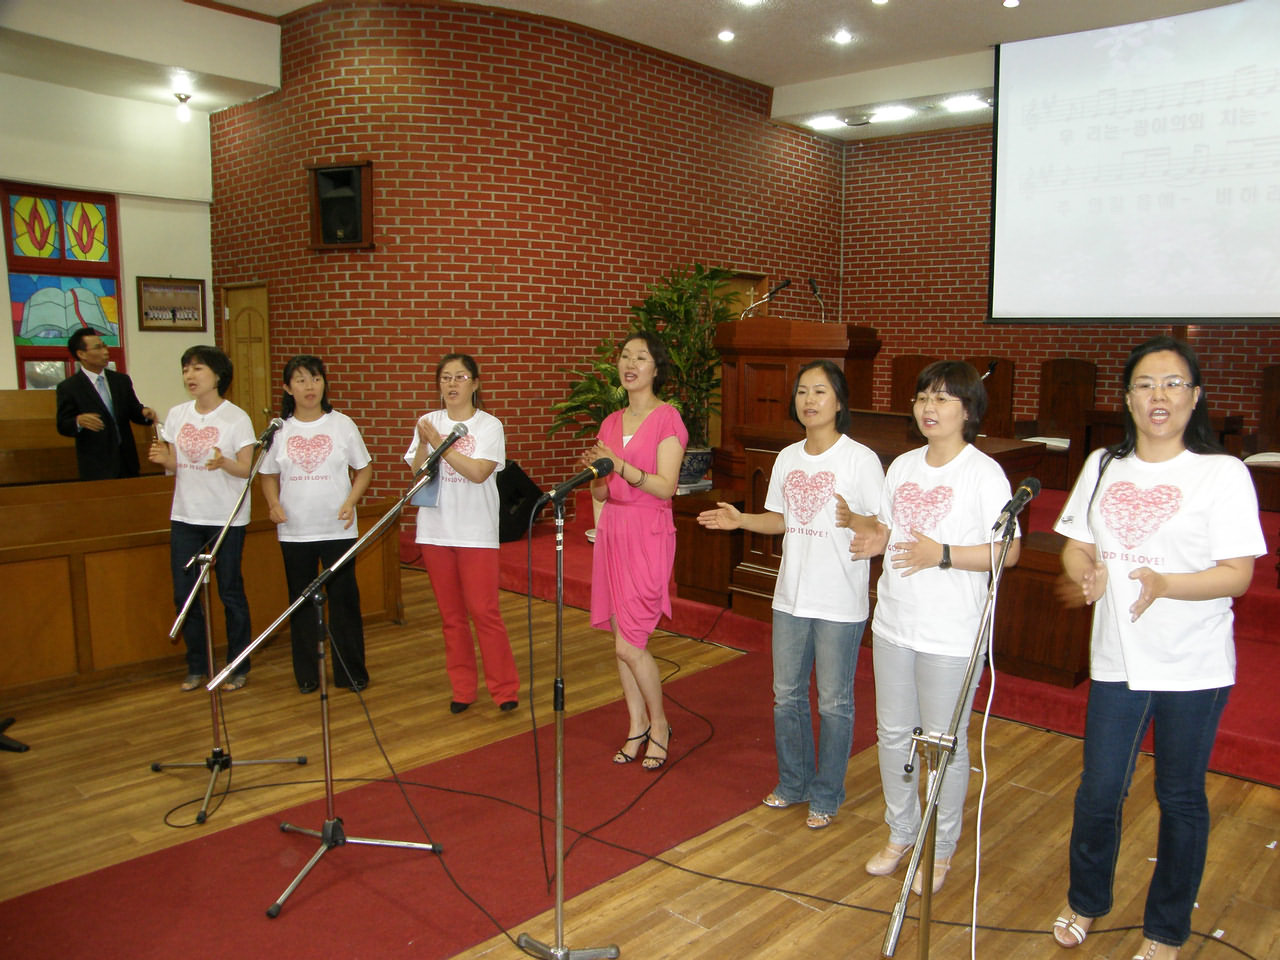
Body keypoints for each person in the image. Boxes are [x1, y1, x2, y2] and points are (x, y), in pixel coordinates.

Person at [1049, 337, 1263, 960]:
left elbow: (1237, 574)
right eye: (1145, 384)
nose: (1159, 395)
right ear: (1128, 398)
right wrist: (1083, 568)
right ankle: (1087, 900)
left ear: (1195, 397)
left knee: (1180, 797)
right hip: (1118, 658)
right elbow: (1076, 542)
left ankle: (1166, 928)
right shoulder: (1102, 465)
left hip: (1193, 665)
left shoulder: (1222, 474)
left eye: (1173, 383)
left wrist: (1167, 584)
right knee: (1098, 790)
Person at [851, 360, 1020, 895]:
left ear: (968, 411)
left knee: (943, 745)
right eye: (924, 396)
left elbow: (1009, 551)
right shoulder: (901, 466)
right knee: (893, 736)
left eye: (943, 398)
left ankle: (940, 847)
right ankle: (901, 831)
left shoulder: (983, 473)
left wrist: (942, 554)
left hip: (950, 632)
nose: (929, 407)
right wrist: (876, 539)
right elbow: (888, 526)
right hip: (895, 622)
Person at [697, 360, 883, 827]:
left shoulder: (859, 460)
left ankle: (827, 792)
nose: (809, 400)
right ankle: (794, 782)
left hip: (840, 600)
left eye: (820, 391)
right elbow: (782, 520)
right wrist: (740, 521)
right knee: (786, 695)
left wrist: (857, 523)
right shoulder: (787, 458)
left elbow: (883, 526)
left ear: (839, 401)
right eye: (802, 392)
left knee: (834, 702)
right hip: (791, 597)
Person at [583, 330, 687, 771]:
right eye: (625, 356)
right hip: (614, 533)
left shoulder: (668, 420)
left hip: (649, 533)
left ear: (655, 369)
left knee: (632, 642)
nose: (630, 364)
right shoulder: (610, 422)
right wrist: (598, 486)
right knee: (619, 640)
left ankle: (660, 725)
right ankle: (635, 724)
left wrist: (620, 466)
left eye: (640, 357)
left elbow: (665, 486)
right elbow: (601, 489)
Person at [404, 353, 519, 714]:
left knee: (484, 612)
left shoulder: (489, 425)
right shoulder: (427, 421)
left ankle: (504, 689)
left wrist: (439, 441)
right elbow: (419, 472)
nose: (452, 384)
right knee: (451, 617)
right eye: (446, 378)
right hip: (436, 531)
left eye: (460, 377)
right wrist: (426, 443)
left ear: (475, 383)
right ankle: (463, 689)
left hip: (475, 532)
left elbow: (478, 472)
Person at [260, 355, 372, 695]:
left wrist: (351, 501)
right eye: (301, 380)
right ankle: (307, 673)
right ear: (287, 388)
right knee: (301, 601)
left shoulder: (342, 424)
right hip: (295, 530)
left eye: (315, 379)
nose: (310, 387)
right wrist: (274, 504)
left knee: (344, 600)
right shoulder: (280, 430)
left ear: (324, 384)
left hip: (337, 528)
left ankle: (350, 672)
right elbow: (267, 475)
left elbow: (363, 469)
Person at [148, 345, 256, 692]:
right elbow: (175, 463)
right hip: (186, 515)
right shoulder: (178, 414)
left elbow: (246, 469)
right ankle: (197, 664)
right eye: (185, 370)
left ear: (218, 375)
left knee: (230, 592)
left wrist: (224, 462)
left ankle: (237, 666)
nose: (190, 376)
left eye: (197, 369)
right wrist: (163, 461)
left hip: (226, 518)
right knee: (185, 594)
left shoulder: (236, 418)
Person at [55, 328, 156, 480]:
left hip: (127, 461)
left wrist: (144, 413)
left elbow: (133, 410)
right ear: (81, 354)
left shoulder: (121, 381)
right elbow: (63, 424)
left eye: (104, 346)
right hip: (96, 465)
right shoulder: (69, 387)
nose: (105, 351)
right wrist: (78, 421)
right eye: (98, 348)